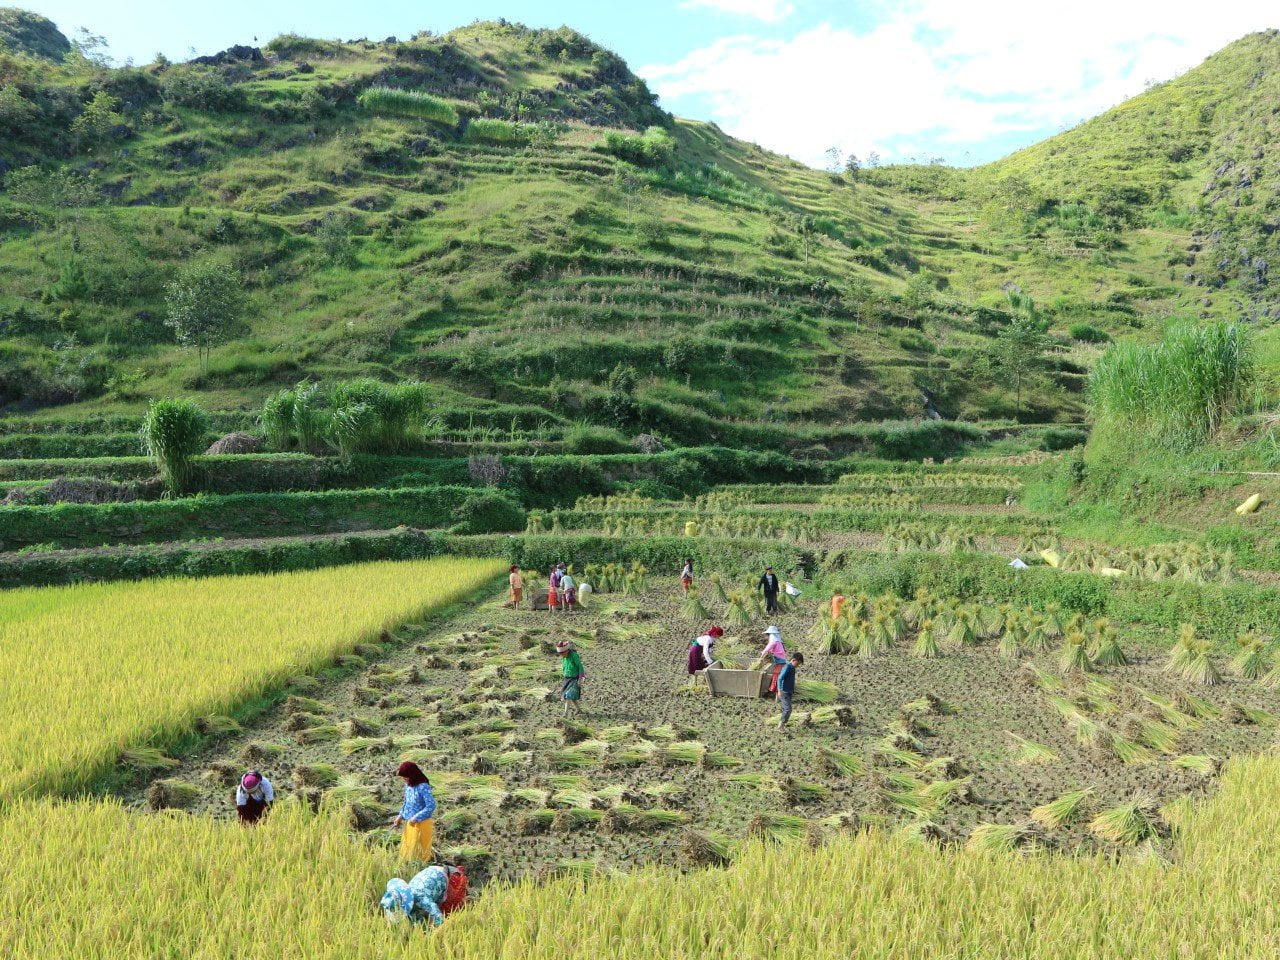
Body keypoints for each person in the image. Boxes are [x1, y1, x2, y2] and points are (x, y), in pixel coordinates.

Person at [392, 760, 436, 862]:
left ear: (412, 775)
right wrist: (400, 816)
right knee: (408, 850)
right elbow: (407, 803)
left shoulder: (423, 787)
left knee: (419, 853)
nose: (404, 780)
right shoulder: (409, 786)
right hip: (410, 823)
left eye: (406, 777)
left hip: (421, 824)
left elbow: (431, 805)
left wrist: (416, 817)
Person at [381, 864, 448, 927]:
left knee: (440, 904)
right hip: (425, 874)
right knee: (416, 915)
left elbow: (437, 916)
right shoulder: (408, 893)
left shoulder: (423, 900)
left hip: (439, 876)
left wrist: (434, 928)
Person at [776, 652, 804, 728]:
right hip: (784, 691)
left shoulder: (792, 667)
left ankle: (782, 725)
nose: (798, 666)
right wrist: (779, 690)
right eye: (798, 664)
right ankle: (780, 727)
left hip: (789, 691)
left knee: (786, 709)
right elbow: (780, 678)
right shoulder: (787, 666)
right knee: (788, 709)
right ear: (794, 660)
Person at [758, 625, 788, 694]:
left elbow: (767, 648)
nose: (768, 636)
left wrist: (762, 655)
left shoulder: (774, 642)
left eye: (769, 635)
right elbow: (771, 650)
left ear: (772, 635)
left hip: (780, 661)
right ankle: (775, 691)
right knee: (776, 674)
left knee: (776, 674)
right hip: (780, 660)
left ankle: (776, 691)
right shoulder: (778, 642)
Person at [557, 639, 584, 716]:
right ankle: (578, 709)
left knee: (568, 696)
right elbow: (564, 666)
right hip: (567, 678)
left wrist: (580, 678)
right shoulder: (564, 657)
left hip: (574, 678)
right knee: (572, 697)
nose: (561, 655)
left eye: (562, 653)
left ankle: (565, 714)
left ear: (566, 651)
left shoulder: (574, 655)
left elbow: (580, 666)